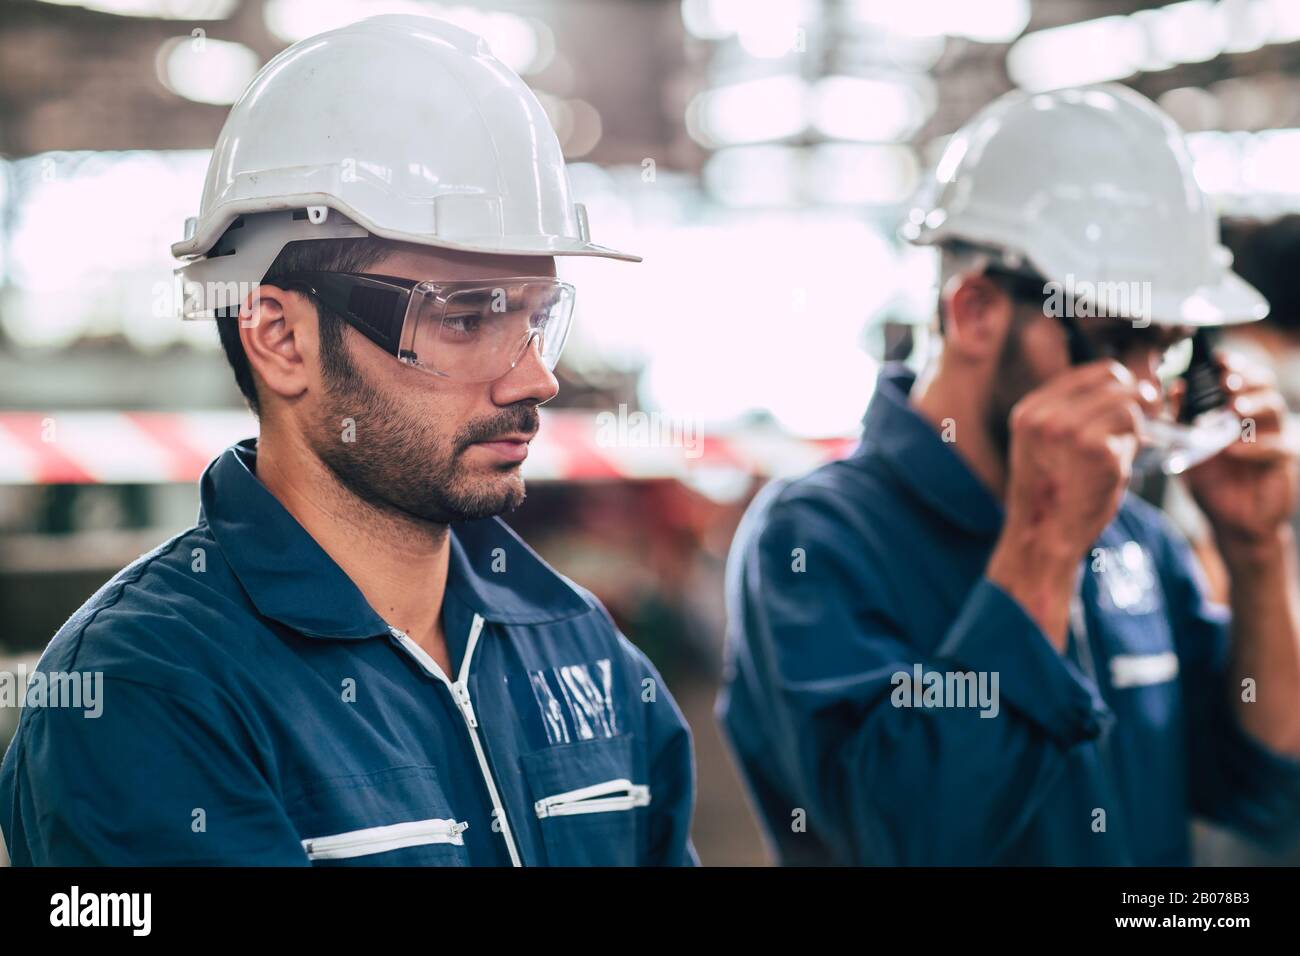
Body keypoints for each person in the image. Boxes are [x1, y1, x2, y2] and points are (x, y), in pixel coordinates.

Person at [0, 15, 696, 867]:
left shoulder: (579, 644)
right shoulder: (146, 692)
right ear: (280, 337)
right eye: (467, 314)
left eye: (536, 317)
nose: (534, 379)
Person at [718, 84, 1300, 865]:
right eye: (1119, 338)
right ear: (978, 312)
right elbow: (904, 837)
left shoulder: (1136, 541)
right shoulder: (814, 543)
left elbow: (1265, 790)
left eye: (1163, 348)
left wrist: (1255, 550)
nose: (1147, 388)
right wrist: (1043, 548)